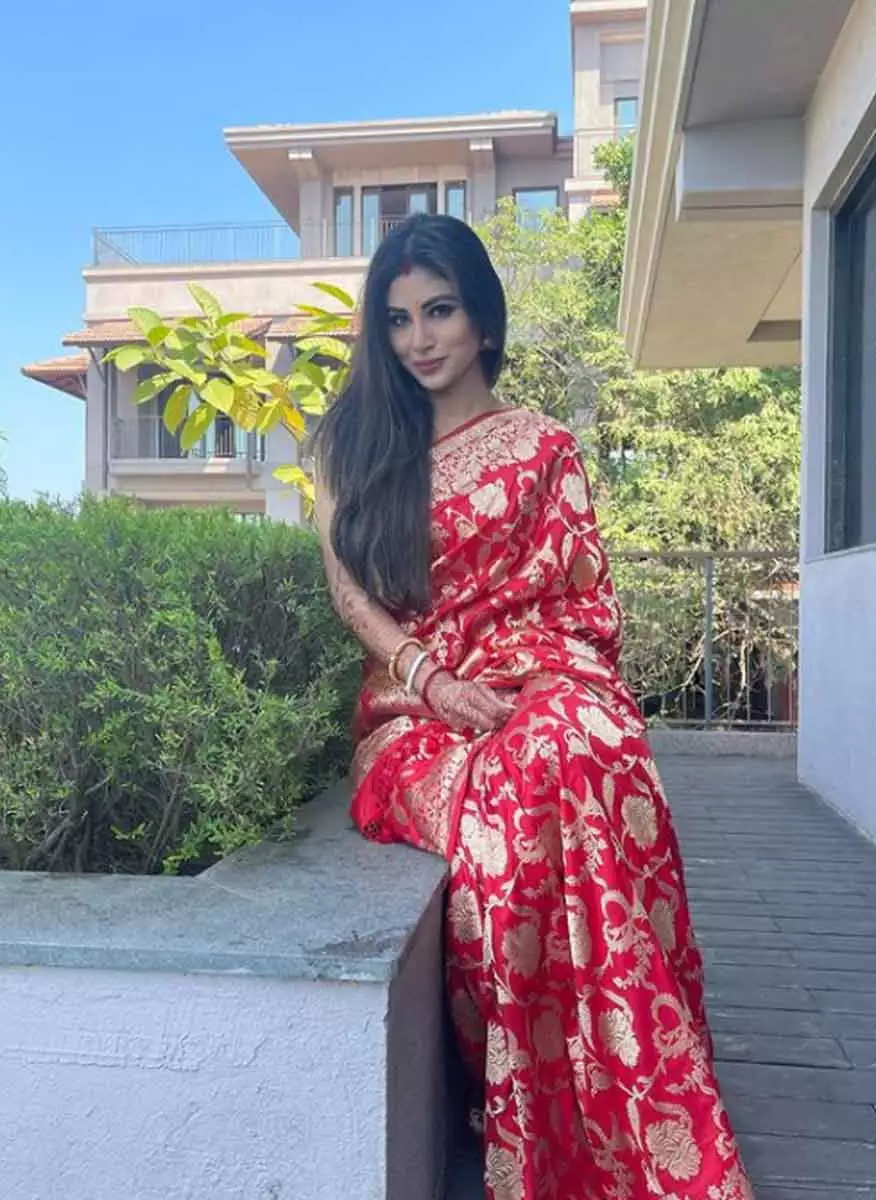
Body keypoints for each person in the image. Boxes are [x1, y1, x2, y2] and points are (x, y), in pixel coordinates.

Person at [311, 213, 753, 1200]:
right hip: (413, 712)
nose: (419, 339)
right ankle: (542, 1121)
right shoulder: (358, 445)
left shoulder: (544, 444)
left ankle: (634, 1091)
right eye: (397, 319)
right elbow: (351, 596)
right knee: (516, 808)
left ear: (482, 319)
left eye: (439, 311)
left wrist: (527, 683)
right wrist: (434, 680)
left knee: (581, 752)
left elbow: (580, 606)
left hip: (540, 676)